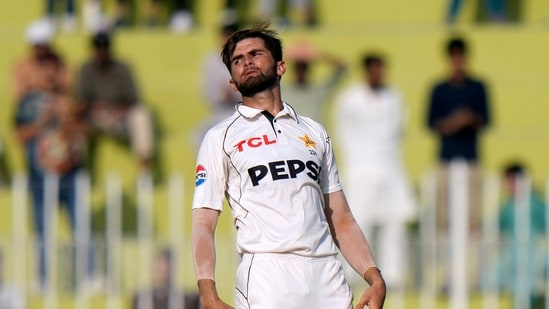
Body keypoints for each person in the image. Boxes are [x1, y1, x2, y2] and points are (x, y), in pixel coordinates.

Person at [191, 23, 386, 309]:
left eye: (256, 53)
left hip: (327, 273)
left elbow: (340, 218)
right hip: (268, 275)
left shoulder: (315, 132)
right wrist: (208, 293)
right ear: (232, 82)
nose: (246, 61)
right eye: (237, 60)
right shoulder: (220, 137)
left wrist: (374, 277)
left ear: (281, 67)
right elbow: (203, 224)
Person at [333, 53, 417, 290]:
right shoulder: (350, 99)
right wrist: (355, 164)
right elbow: (343, 132)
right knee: (358, 220)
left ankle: (394, 272)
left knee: (395, 220)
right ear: (366, 70)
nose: (379, 74)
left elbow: (399, 130)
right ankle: (352, 272)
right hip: (360, 168)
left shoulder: (395, 97)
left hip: (390, 165)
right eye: (375, 69)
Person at [14, 51, 90, 291]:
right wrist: (45, 120)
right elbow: (21, 135)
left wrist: (68, 122)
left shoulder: (70, 100)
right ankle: (43, 278)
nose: (50, 73)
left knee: (81, 226)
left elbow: (83, 131)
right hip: (40, 177)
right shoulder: (27, 102)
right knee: (42, 230)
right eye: (44, 67)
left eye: (53, 68)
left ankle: (89, 276)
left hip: (69, 173)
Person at [426, 36, 491, 291]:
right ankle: (445, 278)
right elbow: (432, 123)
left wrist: (468, 120)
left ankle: (472, 277)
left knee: (472, 222)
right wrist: (453, 123)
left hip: (471, 161)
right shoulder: (439, 89)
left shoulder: (478, 87)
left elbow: (486, 119)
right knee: (444, 222)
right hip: (445, 161)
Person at [74, 31, 157, 178]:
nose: (101, 51)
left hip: (121, 116)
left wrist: (120, 111)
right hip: (95, 117)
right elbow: (82, 101)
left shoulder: (122, 68)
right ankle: (79, 173)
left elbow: (134, 98)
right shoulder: (85, 69)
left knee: (141, 115)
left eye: (104, 47)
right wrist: (98, 109)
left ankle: (145, 171)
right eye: (98, 47)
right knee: (78, 126)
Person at [485, 163, 547, 308]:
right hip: (513, 257)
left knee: (526, 291)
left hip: (533, 256)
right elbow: (496, 227)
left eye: (507, 181)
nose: (506, 186)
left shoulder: (536, 204)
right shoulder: (508, 206)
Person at [196, 22, 242, 147]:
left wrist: (234, 94)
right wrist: (220, 96)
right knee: (199, 137)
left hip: (240, 112)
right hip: (218, 112)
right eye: (226, 34)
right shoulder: (210, 61)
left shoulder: (244, 59)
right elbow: (206, 93)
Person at [282, 40, 347, 123]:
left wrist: (317, 55)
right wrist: (285, 56)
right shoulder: (282, 90)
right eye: (298, 67)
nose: (301, 71)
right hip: (289, 134)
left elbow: (342, 69)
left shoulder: (318, 90)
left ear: (309, 69)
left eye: (304, 67)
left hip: (313, 134)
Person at [13, 20, 70, 106]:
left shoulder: (60, 62)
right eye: (38, 45)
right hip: (32, 109)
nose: (42, 49)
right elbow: (20, 93)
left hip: (56, 107)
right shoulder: (23, 66)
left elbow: (67, 86)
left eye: (44, 45)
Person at [132, 248, 200, 309]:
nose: (163, 269)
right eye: (160, 266)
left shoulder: (186, 300)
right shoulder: (142, 299)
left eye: (165, 265)